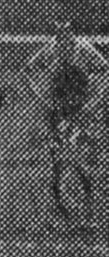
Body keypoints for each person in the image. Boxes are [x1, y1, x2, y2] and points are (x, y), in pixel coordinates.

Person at [26, 20, 107, 221]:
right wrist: (42, 100)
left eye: (67, 35)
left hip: (78, 112)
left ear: (72, 35)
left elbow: (106, 70)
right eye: (59, 35)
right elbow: (28, 70)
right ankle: (60, 208)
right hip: (58, 111)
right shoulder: (51, 49)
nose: (63, 40)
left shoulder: (83, 49)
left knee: (80, 158)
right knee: (58, 161)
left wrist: (93, 102)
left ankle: (88, 208)